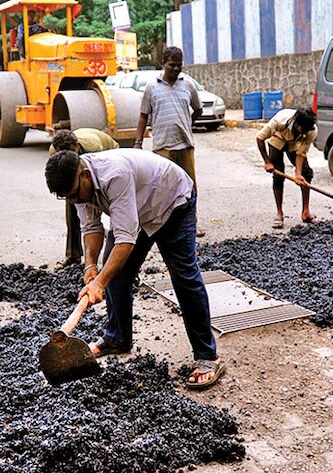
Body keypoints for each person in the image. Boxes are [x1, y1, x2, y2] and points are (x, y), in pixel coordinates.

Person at [45, 146, 224, 390]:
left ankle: (207, 356)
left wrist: (100, 283)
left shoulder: (114, 175)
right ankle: (117, 338)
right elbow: (91, 228)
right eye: (69, 198)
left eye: (75, 194)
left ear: (84, 174)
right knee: (115, 275)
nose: (74, 200)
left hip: (171, 202)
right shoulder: (77, 187)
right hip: (137, 211)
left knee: (184, 276)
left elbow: (125, 240)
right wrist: (90, 267)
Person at [133, 46, 203, 235]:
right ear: (163, 63)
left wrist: (187, 123)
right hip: (162, 147)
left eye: (179, 65)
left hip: (185, 145)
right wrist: (138, 142)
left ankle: (192, 224)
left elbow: (198, 109)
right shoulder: (152, 88)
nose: (175, 68)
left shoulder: (188, 85)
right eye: (172, 64)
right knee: (163, 190)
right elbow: (143, 116)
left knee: (189, 188)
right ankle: (164, 225)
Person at [50, 125, 118, 268]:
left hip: (108, 158)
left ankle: (115, 245)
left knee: (111, 204)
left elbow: (103, 171)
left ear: (77, 145)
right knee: (72, 208)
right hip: (78, 177)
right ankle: (73, 255)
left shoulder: (92, 146)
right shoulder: (54, 152)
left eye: (71, 152)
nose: (68, 157)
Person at [255, 107, 319, 227]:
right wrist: (267, 161)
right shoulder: (280, 121)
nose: (304, 132)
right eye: (302, 129)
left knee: (306, 173)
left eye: (306, 130)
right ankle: (279, 213)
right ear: (295, 122)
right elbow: (260, 138)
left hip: (294, 144)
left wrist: (298, 174)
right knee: (278, 176)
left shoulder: (311, 131)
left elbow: (301, 153)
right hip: (277, 139)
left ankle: (306, 212)